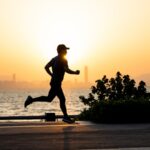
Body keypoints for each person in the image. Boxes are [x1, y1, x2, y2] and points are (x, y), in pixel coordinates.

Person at [24, 44, 80, 123]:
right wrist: (75, 72)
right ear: (61, 50)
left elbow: (46, 67)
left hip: (54, 82)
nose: (66, 51)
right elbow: (66, 70)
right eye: (65, 49)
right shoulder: (63, 60)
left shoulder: (54, 59)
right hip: (56, 83)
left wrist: (51, 75)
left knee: (49, 98)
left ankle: (31, 99)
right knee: (62, 99)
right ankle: (65, 117)